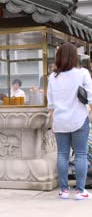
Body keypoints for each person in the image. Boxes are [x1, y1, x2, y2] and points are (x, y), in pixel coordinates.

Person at [47, 42, 92, 200]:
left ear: (59, 56)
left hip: (60, 121)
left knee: (62, 155)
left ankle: (64, 190)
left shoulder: (53, 77)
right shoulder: (83, 73)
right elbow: (90, 97)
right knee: (80, 154)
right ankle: (80, 191)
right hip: (79, 119)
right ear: (75, 57)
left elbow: (50, 103)